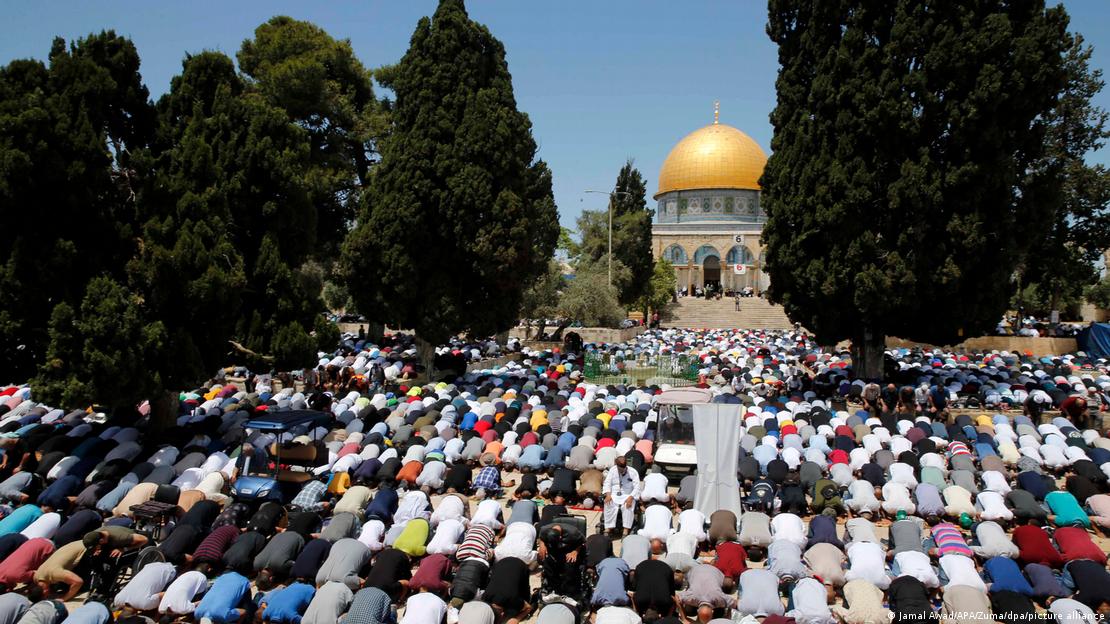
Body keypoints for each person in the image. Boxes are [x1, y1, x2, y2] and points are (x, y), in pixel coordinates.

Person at [603, 456, 641, 535]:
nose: (621, 470)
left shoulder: (633, 472)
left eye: (623, 469)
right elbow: (607, 483)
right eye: (619, 469)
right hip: (614, 493)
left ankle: (626, 529)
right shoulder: (613, 470)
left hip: (627, 494)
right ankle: (608, 528)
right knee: (608, 503)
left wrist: (631, 497)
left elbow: (637, 487)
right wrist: (608, 494)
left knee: (628, 506)